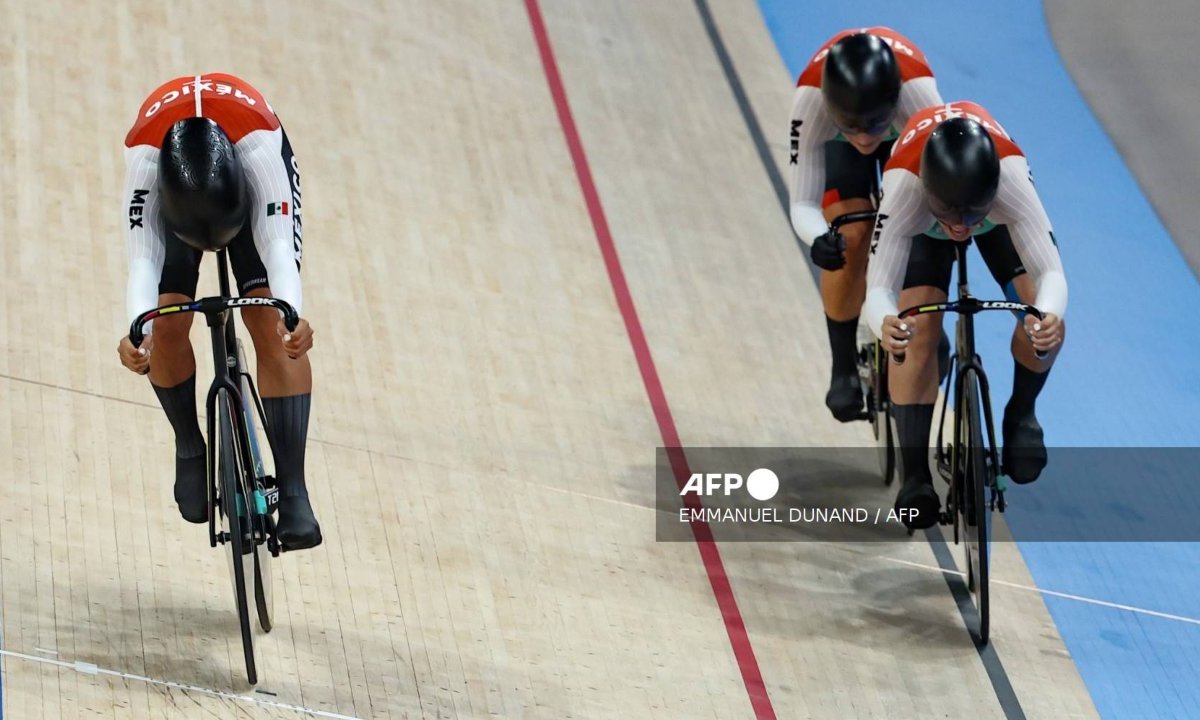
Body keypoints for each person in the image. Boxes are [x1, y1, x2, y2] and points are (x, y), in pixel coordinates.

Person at [116, 74, 322, 550]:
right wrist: (136, 330)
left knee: (271, 327)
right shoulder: (145, 166)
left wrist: (292, 316)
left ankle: (293, 489)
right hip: (179, 203)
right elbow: (143, 259)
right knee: (163, 323)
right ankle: (189, 443)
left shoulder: (261, 153)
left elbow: (278, 248)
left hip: (244, 180)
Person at [863, 102, 1068, 529]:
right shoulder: (903, 186)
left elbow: (1052, 273)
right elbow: (878, 289)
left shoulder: (1010, 177)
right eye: (952, 216)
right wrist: (885, 320)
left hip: (994, 219)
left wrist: (1045, 318)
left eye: (969, 216)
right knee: (913, 332)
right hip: (923, 226)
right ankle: (914, 473)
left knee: (1042, 321)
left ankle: (1022, 412)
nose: (961, 228)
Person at [788, 27, 944, 422]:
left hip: (906, 138)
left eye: (871, 127)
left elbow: (942, 195)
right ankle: (842, 367)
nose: (862, 139)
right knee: (850, 234)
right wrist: (819, 236)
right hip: (852, 135)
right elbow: (803, 200)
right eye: (850, 127)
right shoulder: (810, 98)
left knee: (918, 227)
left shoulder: (918, 98)